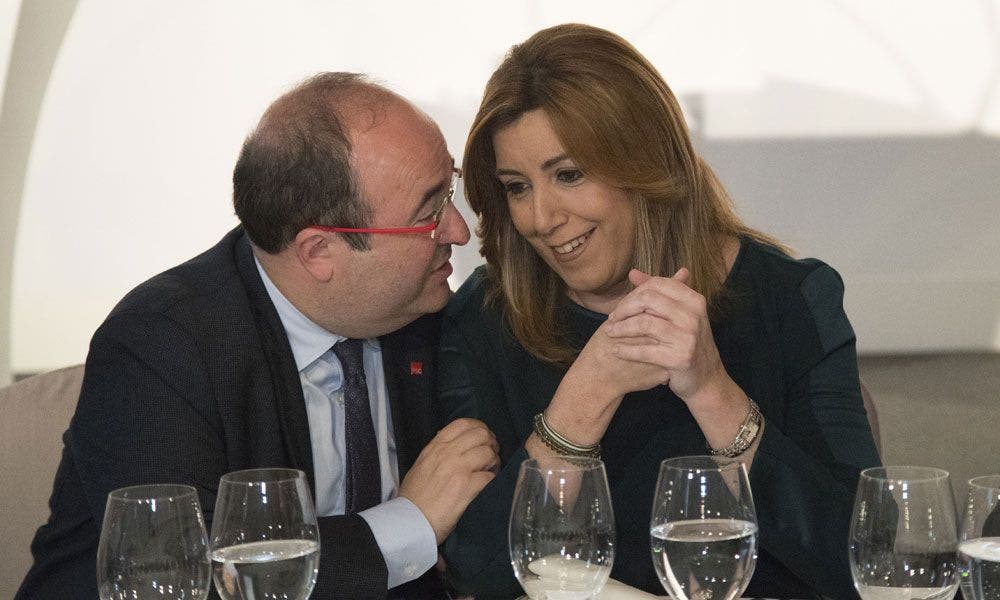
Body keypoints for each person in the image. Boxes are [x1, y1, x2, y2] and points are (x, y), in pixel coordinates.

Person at [437, 23, 880, 599]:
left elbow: (863, 564)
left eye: (569, 175)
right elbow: (476, 572)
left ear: (646, 164)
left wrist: (712, 391)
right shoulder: (487, 314)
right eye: (517, 187)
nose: (541, 219)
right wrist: (585, 395)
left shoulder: (789, 298)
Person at [17, 72, 499, 600]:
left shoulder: (423, 312)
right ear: (319, 252)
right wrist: (412, 523)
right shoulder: (160, 345)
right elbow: (188, 577)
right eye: (429, 214)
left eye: (449, 192)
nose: (458, 230)